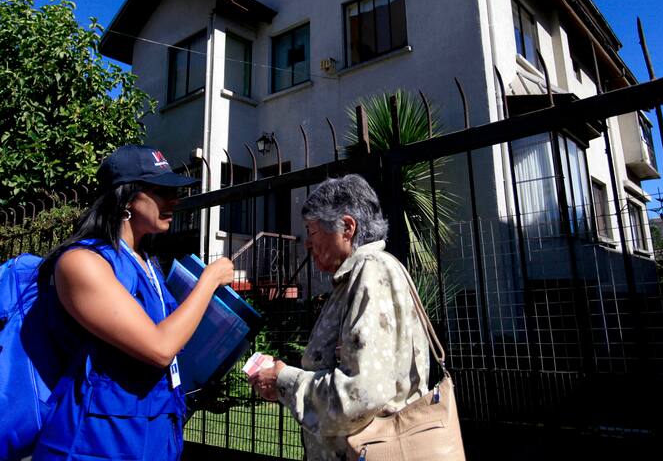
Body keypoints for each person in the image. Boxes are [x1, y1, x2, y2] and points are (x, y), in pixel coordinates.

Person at [32, 144, 234, 460]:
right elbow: (158, 347)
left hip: (156, 436)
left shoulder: (148, 263)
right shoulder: (81, 262)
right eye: (162, 191)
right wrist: (208, 281)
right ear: (126, 198)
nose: (174, 200)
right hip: (97, 443)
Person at [250, 174, 430, 461]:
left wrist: (284, 379)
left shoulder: (371, 271)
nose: (307, 243)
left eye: (312, 230)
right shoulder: (356, 277)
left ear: (347, 227)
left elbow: (360, 394)